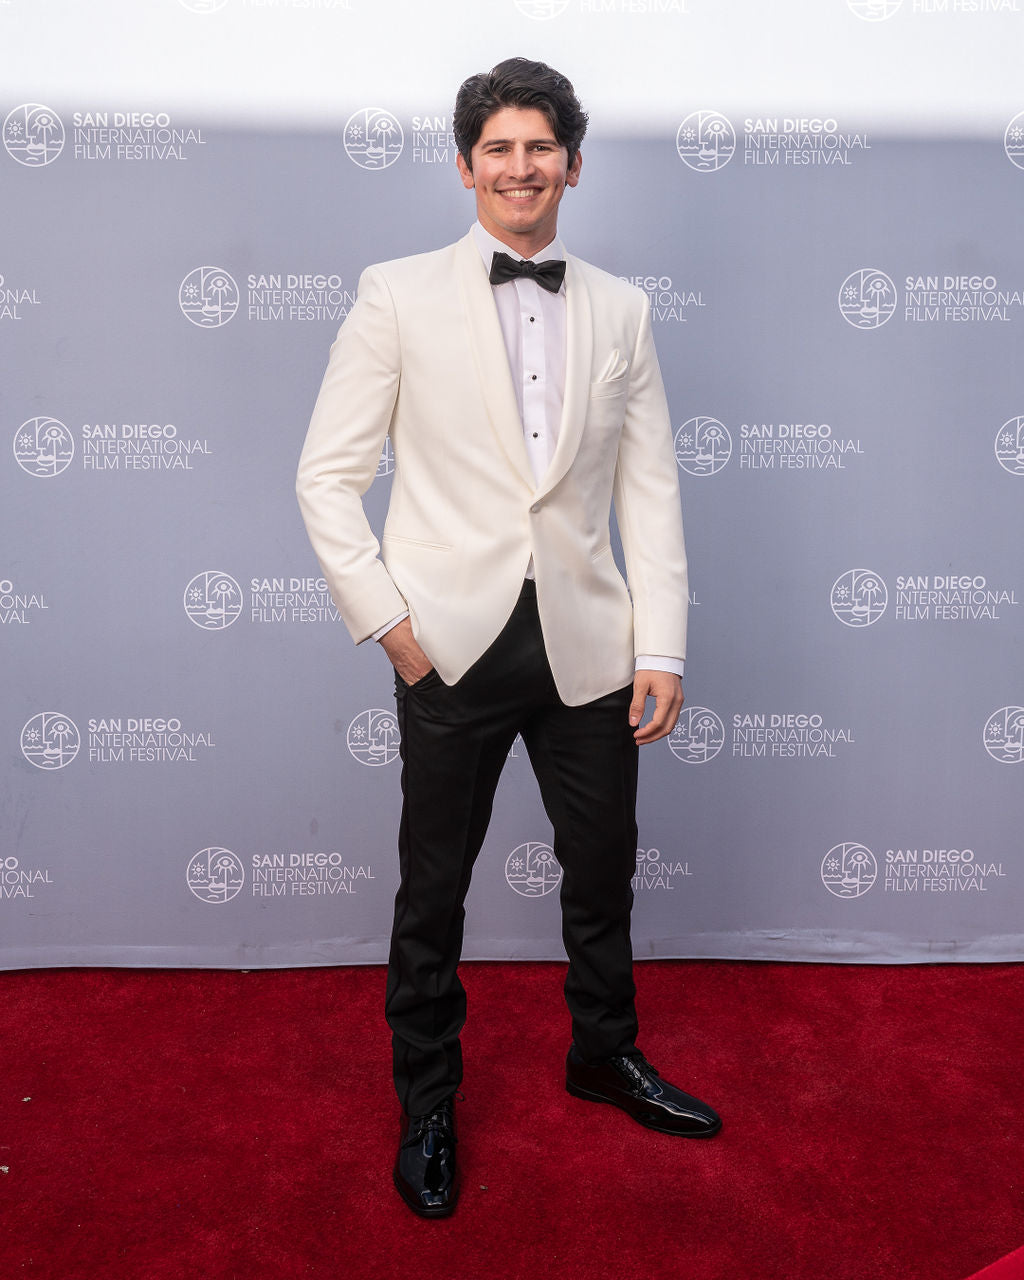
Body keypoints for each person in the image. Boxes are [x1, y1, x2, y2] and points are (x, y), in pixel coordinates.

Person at [296, 57, 721, 1219]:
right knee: (434, 889)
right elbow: (324, 477)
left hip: (591, 643)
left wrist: (663, 644)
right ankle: (427, 1099)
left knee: (602, 869)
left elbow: (651, 493)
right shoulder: (395, 293)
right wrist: (389, 624)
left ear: (572, 167)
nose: (520, 167)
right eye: (499, 148)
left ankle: (602, 1051)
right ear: (465, 163)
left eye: (541, 148)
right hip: (451, 644)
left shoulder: (623, 311)